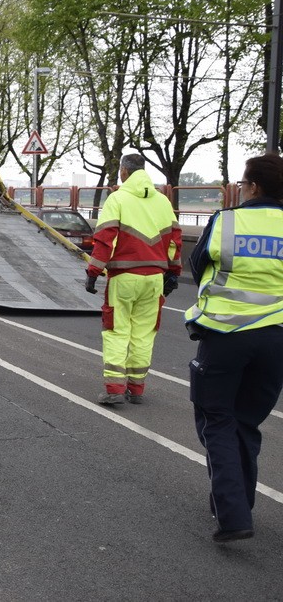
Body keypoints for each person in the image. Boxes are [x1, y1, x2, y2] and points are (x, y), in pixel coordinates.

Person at [184, 153, 283, 543]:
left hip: (226, 334)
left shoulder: (226, 221)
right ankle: (239, 501)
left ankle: (232, 514)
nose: (240, 190)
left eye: (242, 184)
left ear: (254, 187)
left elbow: (197, 265)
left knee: (217, 420)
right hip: (276, 339)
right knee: (245, 421)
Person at [85, 153, 182, 405]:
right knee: (144, 332)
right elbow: (174, 241)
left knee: (117, 331)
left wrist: (93, 273)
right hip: (155, 279)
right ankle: (136, 390)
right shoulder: (163, 202)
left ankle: (114, 389)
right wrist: (173, 272)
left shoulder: (117, 199)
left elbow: (105, 239)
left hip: (125, 277)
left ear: (124, 171)